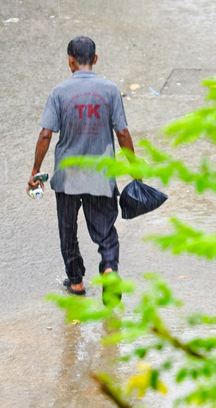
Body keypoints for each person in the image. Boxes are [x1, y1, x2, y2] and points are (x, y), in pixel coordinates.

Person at [28, 36, 136, 298]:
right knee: (106, 233)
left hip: (68, 178)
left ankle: (76, 282)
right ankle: (109, 270)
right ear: (95, 59)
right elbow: (122, 133)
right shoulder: (110, 90)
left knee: (68, 229)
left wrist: (35, 171)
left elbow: (45, 135)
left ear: (70, 61)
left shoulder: (59, 92)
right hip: (100, 177)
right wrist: (135, 169)